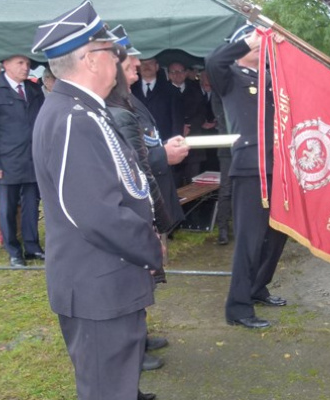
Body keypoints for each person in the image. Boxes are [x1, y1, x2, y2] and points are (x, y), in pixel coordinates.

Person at [30, 2, 163, 398]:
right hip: (98, 284)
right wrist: (149, 247)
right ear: (90, 60)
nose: (120, 59)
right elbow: (95, 214)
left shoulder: (84, 110)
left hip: (105, 279)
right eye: (113, 52)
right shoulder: (75, 118)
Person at [107, 25, 188, 379]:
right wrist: (162, 155)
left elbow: (144, 140)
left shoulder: (127, 96)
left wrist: (159, 149)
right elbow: (129, 160)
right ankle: (130, 348)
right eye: (131, 67)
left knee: (144, 278)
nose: (137, 72)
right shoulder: (113, 103)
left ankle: (138, 336)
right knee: (130, 280)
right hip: (134, 203)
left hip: (148, 197)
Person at [206, 24, 289, 329]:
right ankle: (238, 307)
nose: (259, 48)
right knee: (249, 239)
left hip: (278, 165)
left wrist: (280, 46)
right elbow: (213, 62)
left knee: (277, 235)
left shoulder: (270, 77)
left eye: (260, 45)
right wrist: (247, 40)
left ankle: (258, 287)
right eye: (255, 45)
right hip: (250, 166)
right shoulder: (229, 76)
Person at [0, 54, 45, 267]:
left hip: (32, 159)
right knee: (7, 208)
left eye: (28, 64)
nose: (26, 68)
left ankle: (32, 247)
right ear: (5, 64)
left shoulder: (33, 90)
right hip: (6, 162)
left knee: (32, 205)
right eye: (21, 63)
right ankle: (14, 251)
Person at [199, 71, 233, 245]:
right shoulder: (219, 96)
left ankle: (233, 225)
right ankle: (223, 228)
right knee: (226, 189)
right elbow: (222, 119)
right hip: (227, 148)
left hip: (241, 147)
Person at [168, 61, 208, 185]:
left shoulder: (196, 89)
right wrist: (179, 126)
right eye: (173, 72)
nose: (177, 75)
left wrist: (189, 125)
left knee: (194, 180)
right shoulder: (163, 90)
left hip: (194, 139)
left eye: (180, 71)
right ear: (168, 74)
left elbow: (202, 112)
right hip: (172, 140)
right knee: (175, 182)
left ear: (186, 73)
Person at [131, 57, 183, 141]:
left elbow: (177, 121)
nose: (147, 66)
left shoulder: (171, 91)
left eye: (150, 63)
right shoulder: (130, 90)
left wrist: (176, 142)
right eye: (143, 64)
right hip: (137, 141)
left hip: (164, 141)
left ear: (157, 67)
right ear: (138, 68)